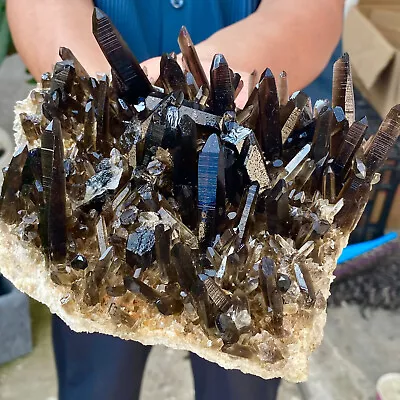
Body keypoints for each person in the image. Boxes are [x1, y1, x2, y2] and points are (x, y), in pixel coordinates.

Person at [6, 1, 345, 399]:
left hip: (252, 163)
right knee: (96, 380)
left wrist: (210, 86)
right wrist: (104, 104)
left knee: (241, 367)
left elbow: (307, 12)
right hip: (99, 186)